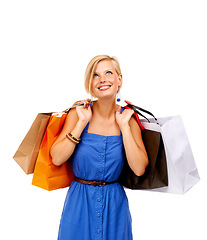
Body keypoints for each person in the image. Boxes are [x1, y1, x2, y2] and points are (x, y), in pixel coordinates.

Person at [50, 55, 149, 240]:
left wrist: (125, 127)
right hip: (79, 205)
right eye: (95, 75)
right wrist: (81, 123)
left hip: (115, 208)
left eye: (108, 73)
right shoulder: (77, 113)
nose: (102, 79)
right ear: (90, 83)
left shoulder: (129, 118)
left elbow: (139, 168)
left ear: (119, 79)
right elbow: (56, 158)